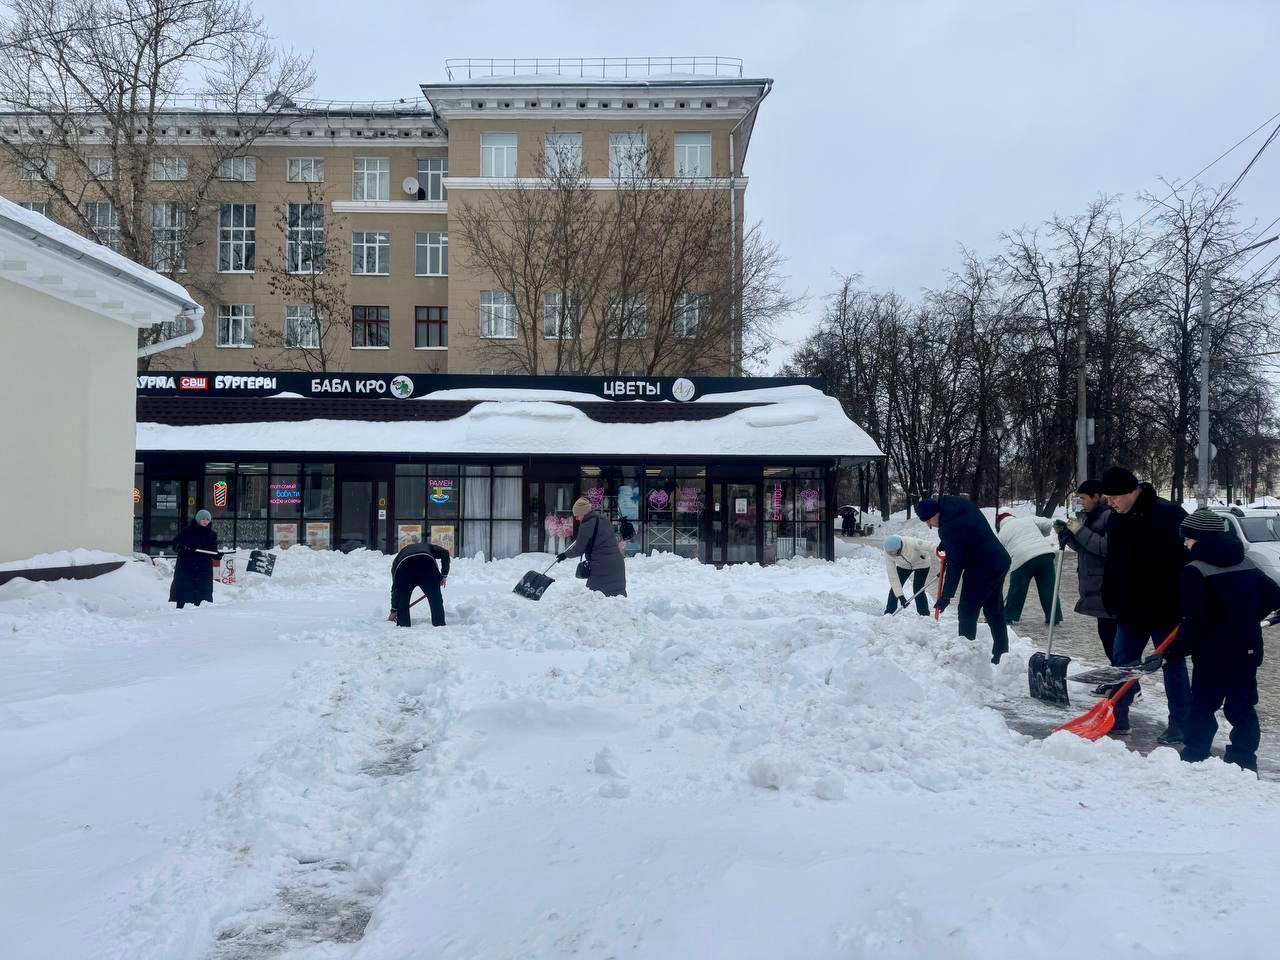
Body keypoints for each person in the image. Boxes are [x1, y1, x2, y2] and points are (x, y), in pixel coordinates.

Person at [1176, 508, 1280, 772]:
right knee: (1242, 707)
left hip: (1212, 654)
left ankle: (1194, 757)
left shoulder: (1195, 571)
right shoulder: (1246, 563)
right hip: (1247, 649)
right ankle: (1243, 761)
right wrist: (1244, 617)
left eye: (1187, 538)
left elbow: (1194, 621)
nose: (1185, 544)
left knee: (1202, 706)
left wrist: (1174, 651)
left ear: (1199, 539)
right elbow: (1274, 597)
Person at [1100, 466, 1190, 741]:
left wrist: (1186, 601)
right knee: (1122, 664)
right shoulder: (1116, 519)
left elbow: (1188, 559)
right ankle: (1117, 717)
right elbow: (1114, 562)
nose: (1111, 503)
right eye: (1107, 499)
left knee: (1171, 664)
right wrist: (1110, 594)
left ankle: (1181, 724)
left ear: (1131, 492)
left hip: (1166, 608)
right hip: (1130, 609)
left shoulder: (1169, 514)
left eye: (1114, 497)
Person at [915, 496, 1012, 663]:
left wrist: (946, 595)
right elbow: (968, 531)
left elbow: (955, 564)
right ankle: (1002, 656)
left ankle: (966, 658)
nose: (930, 526)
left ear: (933, 515)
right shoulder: (960, 505)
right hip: (999, 560)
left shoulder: (949, 528)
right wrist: (949, 543)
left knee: (967, 610)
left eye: (928, 521)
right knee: (993, 609)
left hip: (982, 568)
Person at [1055, 479, 1115, 666]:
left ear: (1097, 497)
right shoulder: (1090, 516)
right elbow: (1084, 548)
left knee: (1112, 639)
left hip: (1106, 584)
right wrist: (1066, 535)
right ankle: (1120, 683)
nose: (1081, 502)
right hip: (1094, 585)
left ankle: (1126, 686)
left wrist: (1079, 531)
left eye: (1083, 498)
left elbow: (1103, 548)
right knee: (1107, 638)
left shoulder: (1108, 516)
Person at [995, 512, 1063, 626]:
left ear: (999, 524)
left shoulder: (1001, 534)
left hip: (1022, 559)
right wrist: (1041, 534)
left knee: (1017, 589)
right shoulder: (1027, 519)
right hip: (1045, 554)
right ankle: (1053, 617)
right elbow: (1047, 523)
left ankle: (1009, 615)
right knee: (1049, 588)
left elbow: (999, 554)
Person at [558, 497, 627, 597]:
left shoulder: (586, 525)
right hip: (617, 564)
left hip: (601, 565)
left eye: (577, 515)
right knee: (616, 598)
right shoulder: (603, 519)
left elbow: (578, 550)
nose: (576, 518)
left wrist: (565, 555)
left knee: (594, 597)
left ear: (583, 512)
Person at [388, 539, 450, 627]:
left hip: (405, 568)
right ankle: (439, 624)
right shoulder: (429, 547)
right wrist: (444, 575)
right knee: (435, 599)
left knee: (402, 599)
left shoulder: (398, 558)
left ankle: (403, 626)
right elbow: (445, 553)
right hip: (427, 566)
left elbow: (395, 588)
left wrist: (394, 610)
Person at [170, 509, 219, 609]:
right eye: (203, 519)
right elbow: (175, 544)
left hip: (203, 568)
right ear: (197, 520)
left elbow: (213, 550)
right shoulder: (187, 531)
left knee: (202, 593)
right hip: (187, 566)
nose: (205, 521)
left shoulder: (212, 534)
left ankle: (199, 614)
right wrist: (182, 547)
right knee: (184, 589)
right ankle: (179, 607)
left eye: (207, 519)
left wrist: (217, 555)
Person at [883, 534, 937, 616]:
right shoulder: (888, 555)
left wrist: (942, 552)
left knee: (918, 589)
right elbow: (893, 577)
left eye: (894, 552)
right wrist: (900, 596)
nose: (893, 555)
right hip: (904, 566)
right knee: (894, 589)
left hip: (922, 563)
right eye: (890, 553)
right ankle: (889, 612)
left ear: (900, 547)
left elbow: (930, 545)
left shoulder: (909, 542)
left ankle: (924, 614)